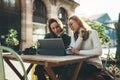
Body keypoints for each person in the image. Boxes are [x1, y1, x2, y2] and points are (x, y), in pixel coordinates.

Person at [60, 15, 103, 80]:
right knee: (64, 70)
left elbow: (99, 51)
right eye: (69, 25)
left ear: (78, 22)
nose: (70, 27)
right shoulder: (74, 36)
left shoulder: (92, 33)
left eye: (71, 24)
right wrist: (80, 37)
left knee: (72, 71)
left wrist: (79, 52)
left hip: (94, 64)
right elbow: (73, 50)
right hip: (80, 63)